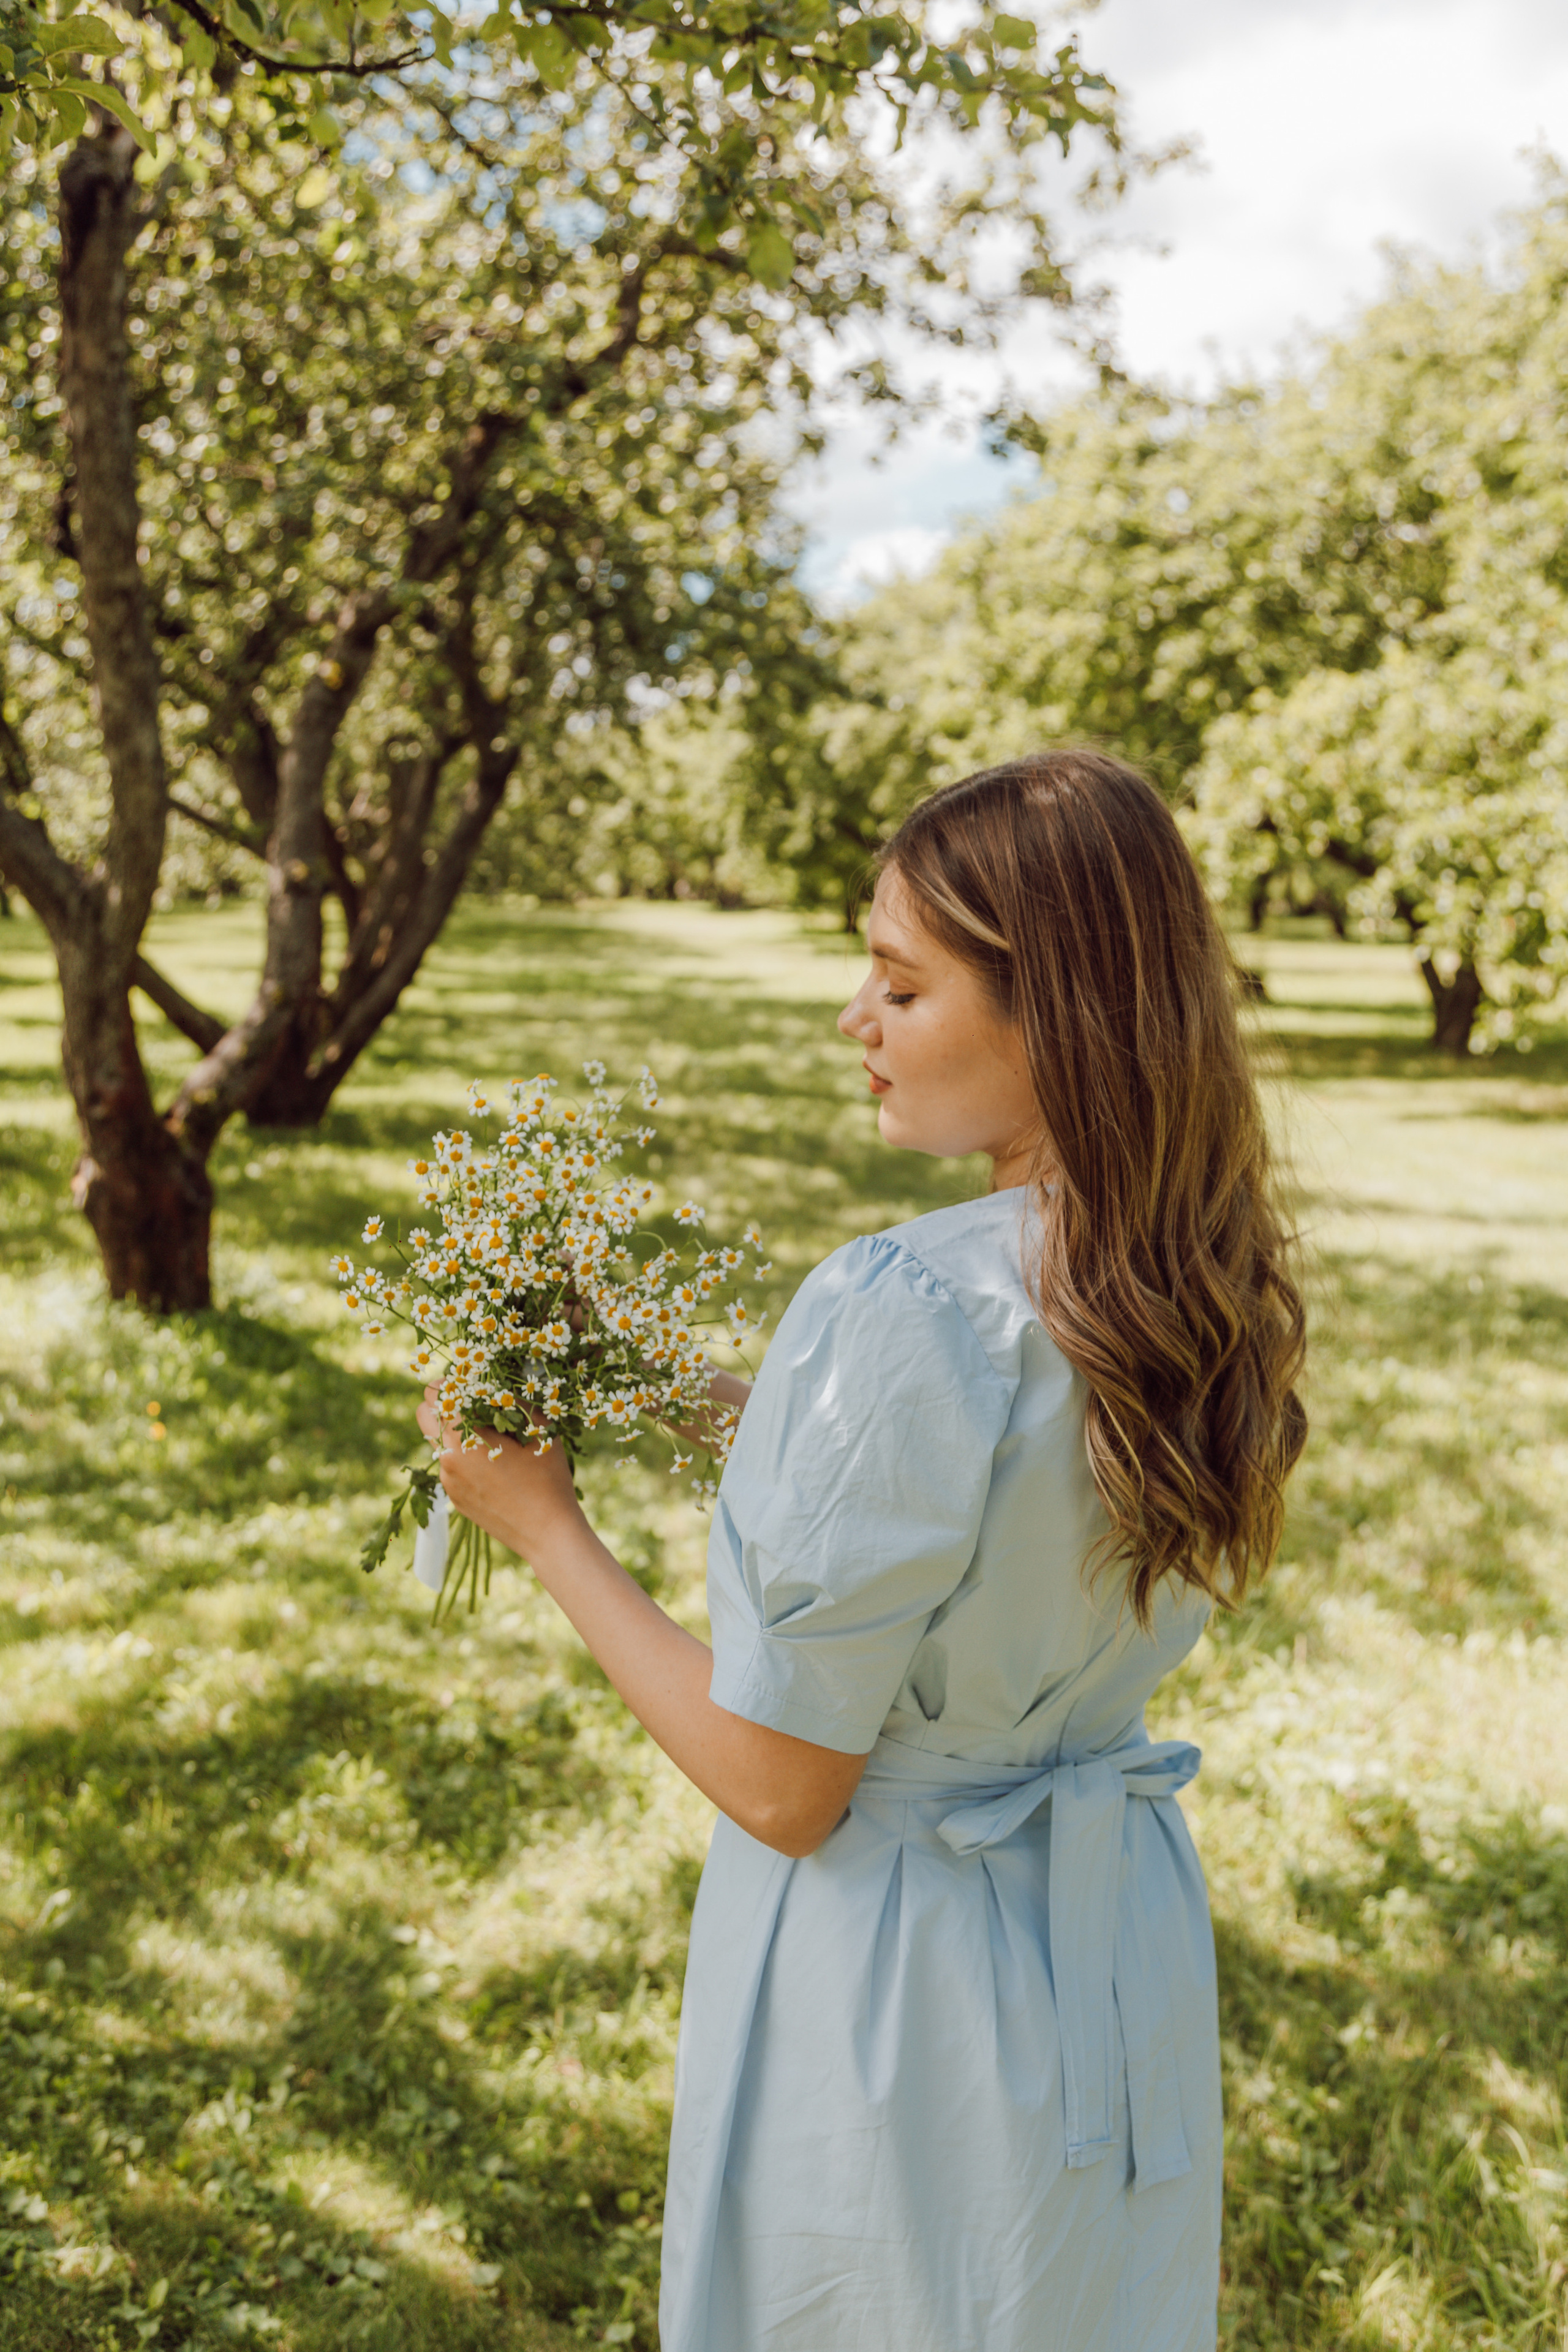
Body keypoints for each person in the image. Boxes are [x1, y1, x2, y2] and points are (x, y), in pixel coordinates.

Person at [420, 750, 1308, 2352]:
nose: (855, 1019)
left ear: (1067, 1015)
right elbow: (966, 1504)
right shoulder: (1181, 1268)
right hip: (1104, 1956)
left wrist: (542, 1524)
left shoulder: (910, 1298)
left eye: (902, 984)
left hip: (908, 1977)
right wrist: (656, 1378)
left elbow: (783, 1781)